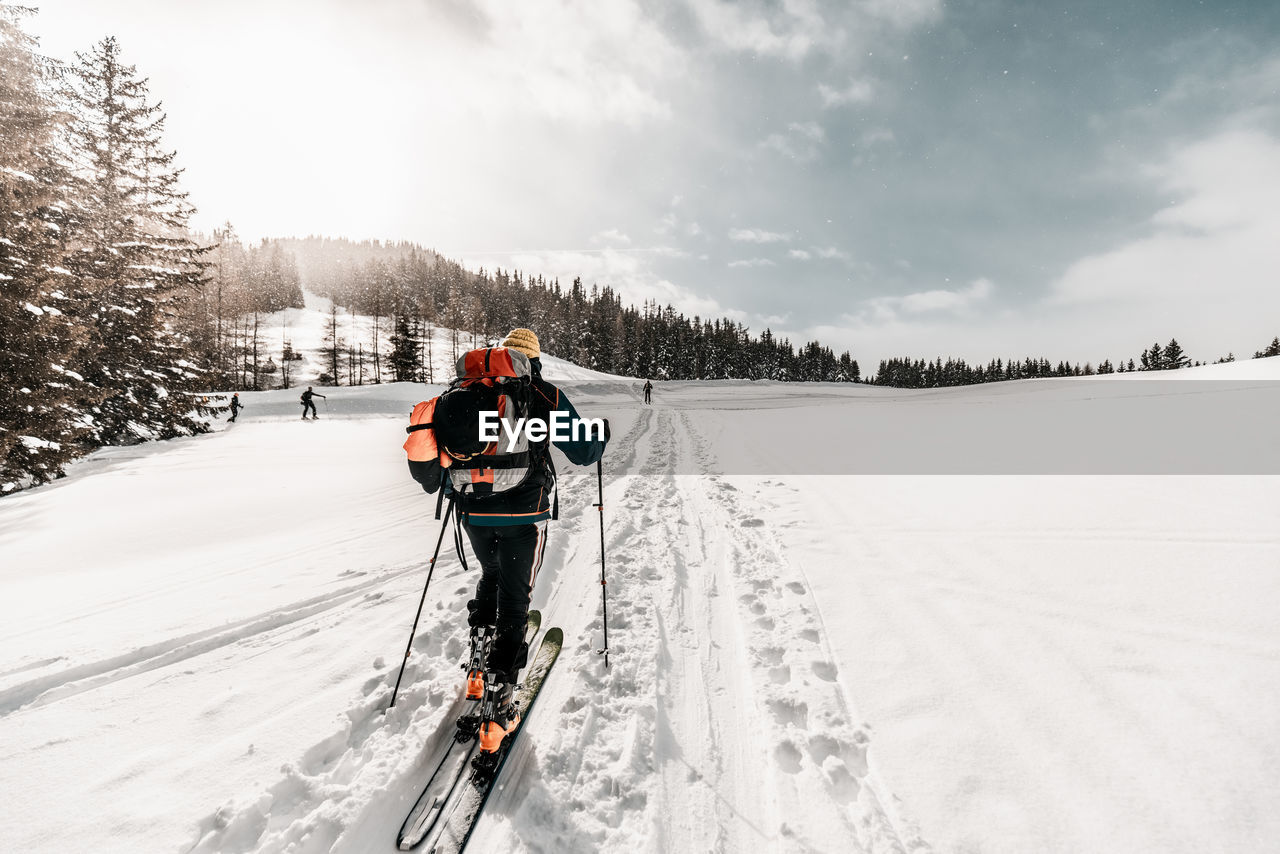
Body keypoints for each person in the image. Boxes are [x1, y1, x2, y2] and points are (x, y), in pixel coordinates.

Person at [455, 328, 607, 744]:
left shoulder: (470, 389)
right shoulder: (543, 395)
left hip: (472, 508)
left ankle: (477, 666)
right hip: (524, 511)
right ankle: (499, 706)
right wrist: (600, 440)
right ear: (534, 359)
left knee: (490, 574)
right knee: (515, 595)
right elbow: (583, 451)